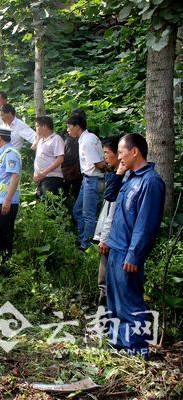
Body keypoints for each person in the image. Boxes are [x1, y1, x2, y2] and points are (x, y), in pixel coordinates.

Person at [104, 134, 165, 356]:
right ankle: (118, 344)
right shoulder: (129, 177)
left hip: (128, 253)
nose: (118, 156)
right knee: (115, 301)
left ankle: (137, 349)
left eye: (121, 152)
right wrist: (119, 172)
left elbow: (145, 224)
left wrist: (134, 255)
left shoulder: (151, 182)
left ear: (135, 151)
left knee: (130, 302)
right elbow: (109, 196)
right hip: (115, 248)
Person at [67, 114, 106, 250]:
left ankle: (87, 245)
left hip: (93, 179)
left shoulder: (87, 141)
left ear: (77, 127)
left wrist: (108, 168)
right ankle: (83, 238)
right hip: (87, 179)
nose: (68, 130)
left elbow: (97, 164)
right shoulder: (86, 138)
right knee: (77, 210)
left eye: (69, 127)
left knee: (88, 214)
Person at [93, 135, 123, 307]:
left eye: (106, 152)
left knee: (105, 280)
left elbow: (112, 211)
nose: (104, 156)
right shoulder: (115, 175)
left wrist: (104, 237)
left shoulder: (122, 178)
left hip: (112, 237)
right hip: (109, 235)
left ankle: (104, 320)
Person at [0, 124, 21, 267]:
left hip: (4, 201)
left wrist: (7, 200)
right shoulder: (1, 153)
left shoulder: (10, 153)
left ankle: (3, 266)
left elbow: (15, 177)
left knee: (3, 235)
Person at [33, 116, 65, 197]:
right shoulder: (41, 141)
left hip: (52, 177)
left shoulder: (56, 139)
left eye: (37, 126)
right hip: (41, 178)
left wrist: (45, 172)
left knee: (49, 203)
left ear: (44, 126)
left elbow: (60, 158)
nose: (36, 128)